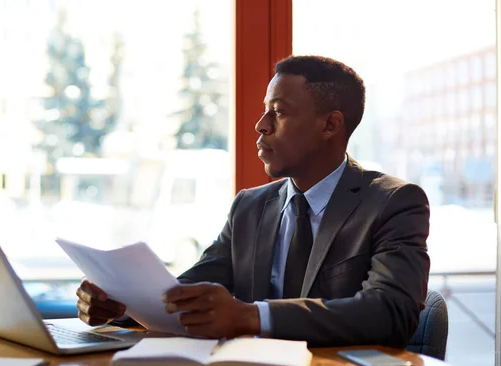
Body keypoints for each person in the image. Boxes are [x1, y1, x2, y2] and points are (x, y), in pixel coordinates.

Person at [75, 55, 430, 348]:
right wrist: (121, 305)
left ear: (330, 125)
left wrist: (249, 316)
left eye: (279, 111)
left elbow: (390, 312)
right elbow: (184, 293)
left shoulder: (393, 203)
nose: (260, 125)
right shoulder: (249, 206)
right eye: (264, 111)